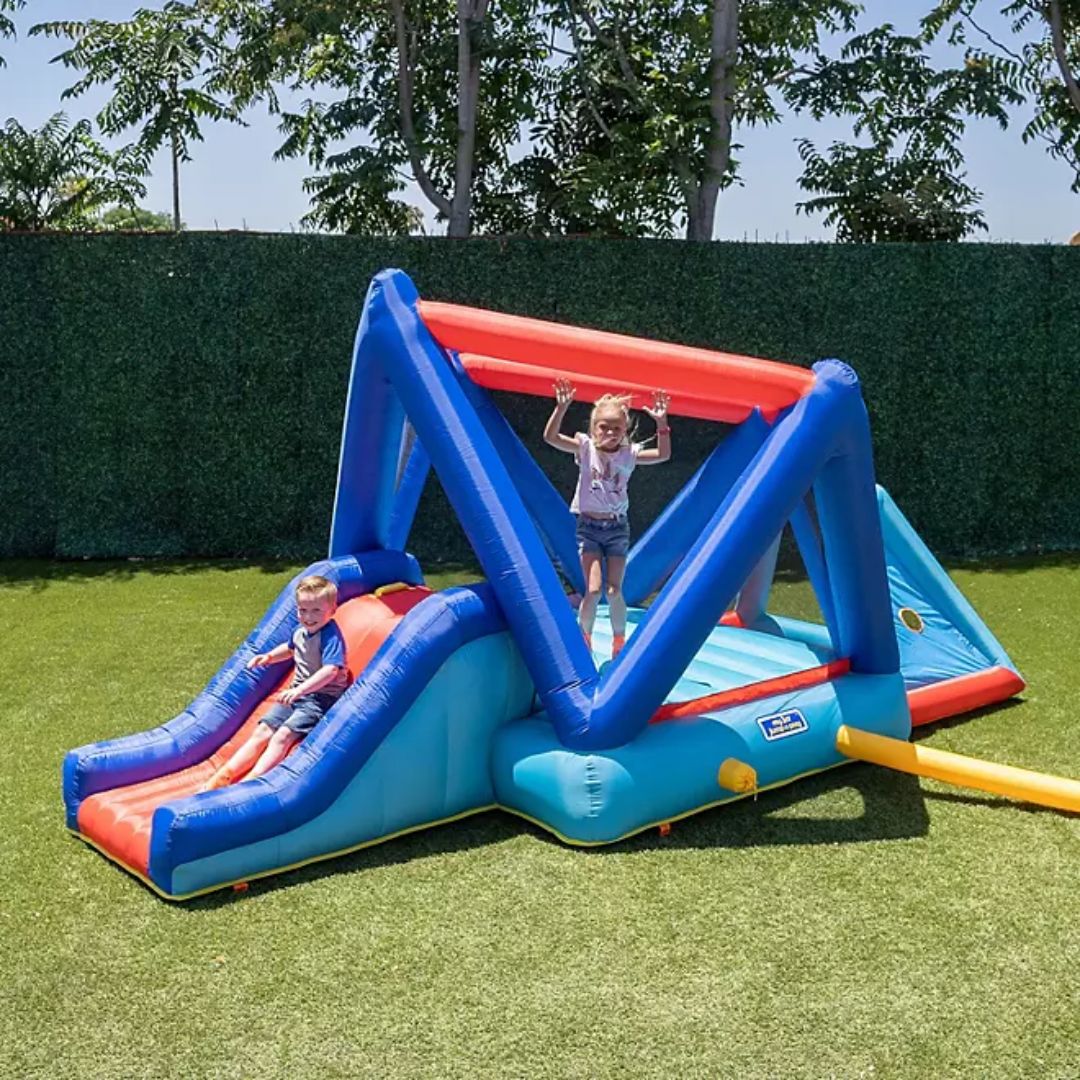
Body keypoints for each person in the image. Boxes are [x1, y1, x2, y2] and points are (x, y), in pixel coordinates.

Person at [544, 380, 671, 657]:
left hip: (616, 528)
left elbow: (663, 454)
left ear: (624, 430)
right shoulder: (585, 447)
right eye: (604, 426)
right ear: (594, 428)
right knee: (592, 590)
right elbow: (551, 438)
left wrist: (662, 423)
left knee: (614, 591)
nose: (610, 432)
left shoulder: (629, 454)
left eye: (616, 427)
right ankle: (584, 637)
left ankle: (619, 640)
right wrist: (561, 408)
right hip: (588, 528)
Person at [201, 575, 350, 791]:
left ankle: (251, 780)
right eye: (302, 610)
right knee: (262, 731)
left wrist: (300, 690)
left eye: (316, 610)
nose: (308, 617)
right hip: (295, 694)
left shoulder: (330, 636)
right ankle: (225, 774)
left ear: (332, 609)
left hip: (320, 697)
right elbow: (290, 648)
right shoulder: (301, 631)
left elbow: (331, 670)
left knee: (283, 735)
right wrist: (269, 657)